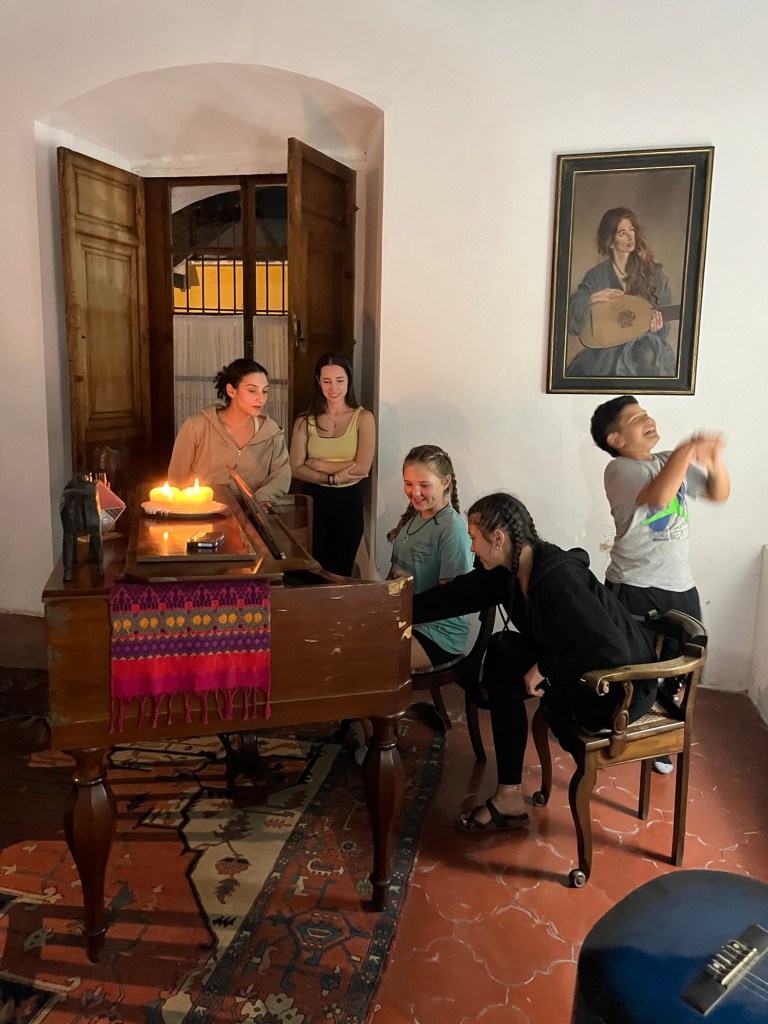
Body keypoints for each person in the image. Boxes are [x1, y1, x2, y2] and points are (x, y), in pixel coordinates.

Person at [412, 492, 657, 831]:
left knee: (504, 664)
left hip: (618, 689)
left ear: (498, 539)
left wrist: (546, 668)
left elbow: (611, 650)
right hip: (585, 668)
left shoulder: (558, 578)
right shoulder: (509, 572)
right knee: (502, 652)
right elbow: (457, 596)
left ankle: (508, 794)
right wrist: (395, 609)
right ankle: (509, 796)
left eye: (474, 538)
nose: (471, 548)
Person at [590, 395, 730, 771]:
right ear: (617, 439)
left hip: (679, 583)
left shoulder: (669, 460)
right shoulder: (618, 470)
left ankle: (659, 732)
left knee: (682, 662)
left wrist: (713, 460)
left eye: (646, 413)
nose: (648, 419)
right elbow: (659, 498)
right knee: (637, 663)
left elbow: (718, 493)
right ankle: (621, 723)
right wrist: (688, 448)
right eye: (636, 418)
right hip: (635, 585)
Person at [387, 445, 473, 670]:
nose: (415, 492)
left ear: (445, 482)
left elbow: (451, 598)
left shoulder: (452, 528)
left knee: (367, 658)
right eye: (408, 483)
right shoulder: (414, 517)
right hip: (406, 617)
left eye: (424, 485)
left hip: (438, 632)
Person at [289, 353, 375, 577]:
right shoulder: (304, 420)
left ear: (348, 381)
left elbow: (362, 468)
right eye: (327, 381)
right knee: (312, 572)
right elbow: (295, 468)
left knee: (340, 572)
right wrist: (333, 477)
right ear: (318, 382)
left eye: (339, 380)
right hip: (312, 501)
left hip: (347, 502)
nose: (333, 388)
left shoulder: (363, 418)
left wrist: (318, 464)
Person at [567, 207, 676, 378]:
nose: (631, 237)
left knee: (647, 352)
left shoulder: (653, 273)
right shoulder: (597, 275)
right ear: (610, 241)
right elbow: (571, 314)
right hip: (606, 351)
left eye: (632, 230)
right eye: (622, 234)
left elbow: (665, 315)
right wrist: (591, 299)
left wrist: (657, 327)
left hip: (643, 347)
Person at [167, 358, 291, 503]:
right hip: (201, 511)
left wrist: (260, 500)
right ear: (231, 390)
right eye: (252, 390)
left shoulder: (272, 433)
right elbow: (176, 479)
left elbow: (281, 476)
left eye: (265, 391)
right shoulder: (197, 426)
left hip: (252, 512)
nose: (261, 399)